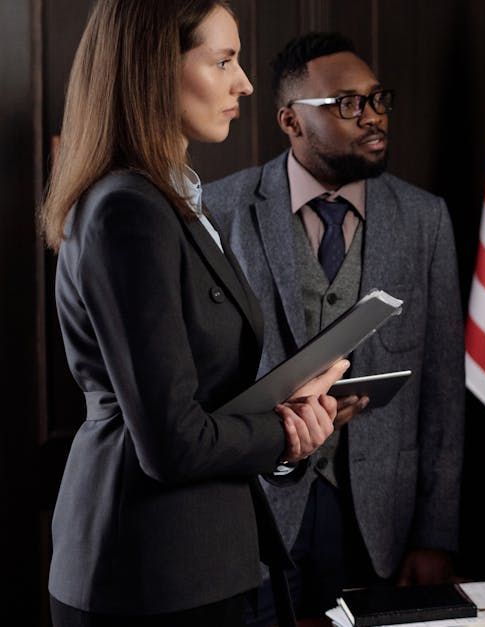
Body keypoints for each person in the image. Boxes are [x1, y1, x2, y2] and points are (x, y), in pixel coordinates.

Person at [40, 1, 350, 625]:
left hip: (197, 562)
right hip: (149, 575)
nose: (246, 83)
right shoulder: (127, 211)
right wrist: (286, 433)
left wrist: (286, 418)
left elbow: (199, 398)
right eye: (224, 61)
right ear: (155, 69)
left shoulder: (170, 200)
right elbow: (173, 442)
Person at [205, 32, 465, 624]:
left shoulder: (425, 219)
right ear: (291, 121)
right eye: (347, 105)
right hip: (257, 513)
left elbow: (443, 391)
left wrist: (435, 534)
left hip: (381, 523)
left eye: (377, 100)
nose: (372, 118)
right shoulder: (222, 210)